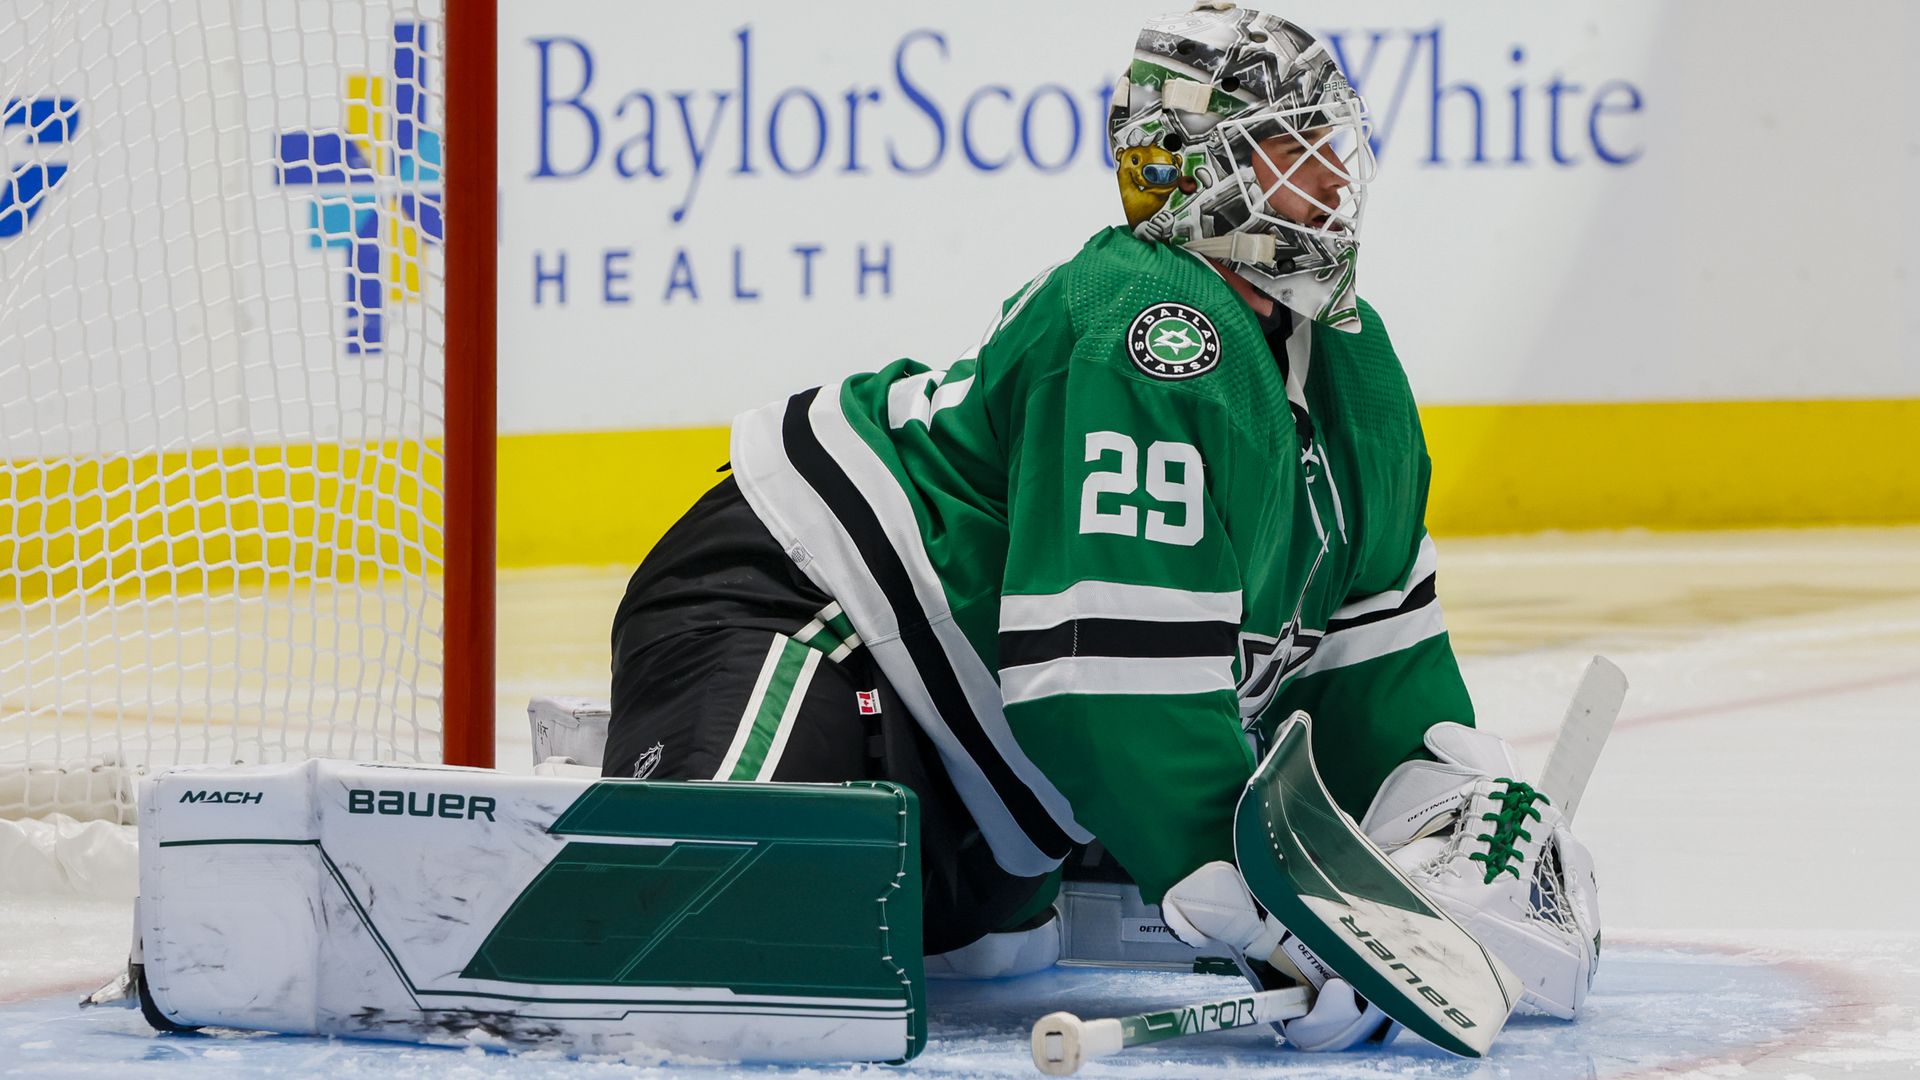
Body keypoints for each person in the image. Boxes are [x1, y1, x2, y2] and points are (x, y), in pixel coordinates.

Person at [605, 1, 1599, 1050]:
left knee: (978, 964)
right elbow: (1106, 688)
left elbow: (1372, 683)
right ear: (1194, 171)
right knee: (704, 964)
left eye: (1330, 139)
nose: (1336, 177)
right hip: (806, 608)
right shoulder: (1146, 324)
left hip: (993, 766)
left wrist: (1441, 832)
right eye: (1291, 146)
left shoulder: (1352, 362)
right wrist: (1287, 914)